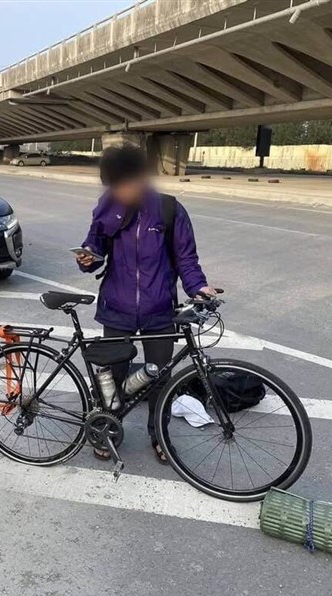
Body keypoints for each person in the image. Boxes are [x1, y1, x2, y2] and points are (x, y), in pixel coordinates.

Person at [76, 144, 217, 463]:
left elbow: (186, 259)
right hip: (117, 308)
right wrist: (87, 258)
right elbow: (94, 249)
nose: (119, 192)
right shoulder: (107, 207)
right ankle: (108, 430)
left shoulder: (169, 210)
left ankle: (159, 436)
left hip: (159, 311)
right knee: (112, 377)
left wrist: (199, 287)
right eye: (114, 186)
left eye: (123, 184)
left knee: (159, 379)